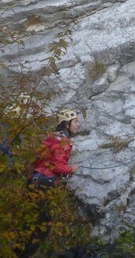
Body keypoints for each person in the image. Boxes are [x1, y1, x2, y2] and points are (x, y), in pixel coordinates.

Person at [21, 108, 80, 257]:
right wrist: (71, 169)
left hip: (34, 180)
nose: (78, 125)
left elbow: (38, 161)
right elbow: (57, 166)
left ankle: (17, 251)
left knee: (30, 222)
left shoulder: (51, 137)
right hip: (45, 183)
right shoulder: (63, 141)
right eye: (75, 121)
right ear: (66, 124)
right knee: (42, 226)